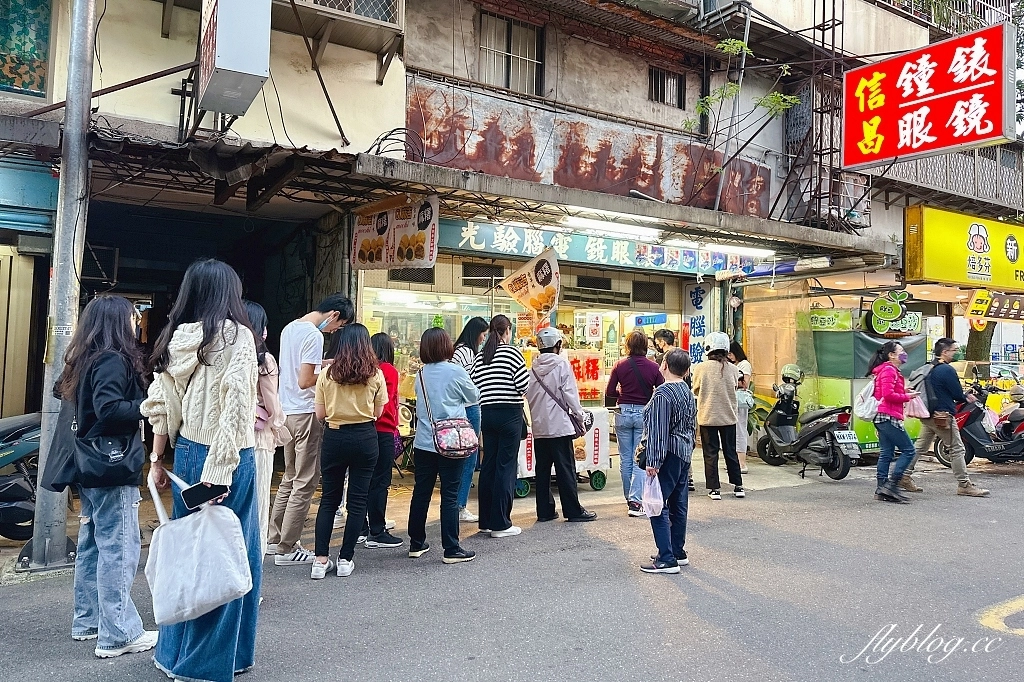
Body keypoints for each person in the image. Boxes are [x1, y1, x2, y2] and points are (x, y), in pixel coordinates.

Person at [143, 258, 260, 681]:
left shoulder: (176, 337)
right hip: (226, 456)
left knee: (189, 552)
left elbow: (161, 405)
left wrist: (156, 460)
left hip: (188, 451)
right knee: (227, 555)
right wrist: (221, 470)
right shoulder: (237, 336)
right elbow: (237, 406)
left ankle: (173, 653)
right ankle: (208, 665)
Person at [58, 296, 157, 658]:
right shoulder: (113, 359)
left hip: (90, 465)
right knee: (119, 548)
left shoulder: (85, 359)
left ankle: (88, 621)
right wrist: (148, 405)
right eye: (133, 317)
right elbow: (109, 408)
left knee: (93, 545)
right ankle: (118, 633)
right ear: (118, 322)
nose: (136, 322)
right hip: (112, 466)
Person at [269, 293, 353, 566]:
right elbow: (305, 380)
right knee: (305, 482)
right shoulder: (314, 336)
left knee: (290, 477)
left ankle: (274, 539)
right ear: (334, 315)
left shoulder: (290, 328)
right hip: (306, 413)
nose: (335, 330)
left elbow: (297, 369)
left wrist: (325, 364)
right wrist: (332, 373)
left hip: (286, 412)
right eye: (339, 325)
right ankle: (287, 548)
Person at [308, 324, 385, 578]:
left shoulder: (327, 374)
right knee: (358, 500)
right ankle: (345, 559)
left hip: (335, 436)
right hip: (365, 437)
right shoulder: (375, 374)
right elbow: (378, 412)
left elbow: (320, 414)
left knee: (329, 499)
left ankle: (320, 560)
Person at [410, 328, 481, 562]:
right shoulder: (456, 371)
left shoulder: (420, 374)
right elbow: (474, 396)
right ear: (446, 346)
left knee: (421, 492)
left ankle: (416, 543)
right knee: (449, 494)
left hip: (424, 442)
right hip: (451, 441)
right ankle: (451, 548)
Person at [525, 327, 597, 523]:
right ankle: (573, 511)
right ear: (557, 344)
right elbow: (570, 395)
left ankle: (545, 511)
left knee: (542, 471)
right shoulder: (562, 365)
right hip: (560, 426)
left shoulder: (532, 368)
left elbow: (529, 395)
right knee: (565, 469)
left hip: (540, 427)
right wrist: (580, 416)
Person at [906, 338, 990, 498]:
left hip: (928, 414)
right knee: (957, 449)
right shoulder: (946, 370)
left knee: (920, 447)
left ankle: (903, 476)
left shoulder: (929, 367)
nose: (957, 353)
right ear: (944, 352)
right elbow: (957, 393)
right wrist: (967, 397)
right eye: (954, 350)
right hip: (942, 416)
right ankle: (964, 485)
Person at [639, 349, 698, 574]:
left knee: (657, 504)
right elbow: (692, 425)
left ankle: (666, 557)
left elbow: (658, 431)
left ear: (664, 365)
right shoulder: (686, 391)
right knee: (678, 503)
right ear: (686, 370)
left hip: (667, 454)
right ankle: (677, 551)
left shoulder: (663, 394)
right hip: (683, 453)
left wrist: (653, 461)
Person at [470, 315, 529, 538]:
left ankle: (486, 521)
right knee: (506, 466)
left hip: (487, 413)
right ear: (507, 331)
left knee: (489, 465)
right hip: (509, 414)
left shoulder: (480, 357)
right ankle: (501, 524)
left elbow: (473, 386)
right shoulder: (512, 353)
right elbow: (523, 385)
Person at [244, 300, 288, 559]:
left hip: (232, 437)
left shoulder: (226, 355)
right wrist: (279, 424)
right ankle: (254, 566)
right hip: (259, 437)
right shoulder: (265, 360)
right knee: (258, 504)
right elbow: (273, 406)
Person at [607, 330, 664, 516]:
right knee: (640, 457)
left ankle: (628, 497)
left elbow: (609, 392)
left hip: (623, 412)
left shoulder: (619, 365)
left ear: (628, 345)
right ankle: (635, 501)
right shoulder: (653, 367)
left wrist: (622, 395)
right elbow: (661, 390)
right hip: (643, 414)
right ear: (645, 345)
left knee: (625, 458)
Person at [363, 332, 406, 548]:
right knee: (380, 482)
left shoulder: (364, 369)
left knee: (363, 481)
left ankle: (361, 527)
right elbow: (388, 403)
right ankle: (377, 530)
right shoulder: (388, 370)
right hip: (384, 429)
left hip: (364, 429)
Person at [692, 331, 744, 500]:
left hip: (708, 417)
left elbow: (696, 389)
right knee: (730, 452)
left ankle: (714, 489)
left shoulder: (700, 368)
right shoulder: (734, 369)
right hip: (728, 417)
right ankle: (738, 486)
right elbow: (735, 387)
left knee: (710, 453)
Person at [867, 341, 918, 504]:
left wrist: (904, 391)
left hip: (884, 416)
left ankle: (882, 488)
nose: (904, 354)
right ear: (891, 355)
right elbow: (888, 395)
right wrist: (907, 397)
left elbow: (888, 391)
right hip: (887, 416)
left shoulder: (889, 370)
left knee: (887, 453)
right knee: (909, 450)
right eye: (901, 351)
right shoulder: (889, 370)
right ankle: (892, 485)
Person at [451, 316, 489, 523]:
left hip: (461, 407)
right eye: (483, 334)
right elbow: (467, 383)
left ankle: (455, 504)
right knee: (469, 457)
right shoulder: (466, 352)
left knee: (462, 457)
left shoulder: (458, 350)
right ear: (476, 333)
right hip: (469, 407)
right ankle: (460, 505)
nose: (484, 339)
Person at [729, 341, 753, 474]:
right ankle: (735, 462)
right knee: (733, 432)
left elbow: (745, 383)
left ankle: (742, 463)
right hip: (731, 400)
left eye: (731, 354)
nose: (729, 356)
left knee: (740, 431)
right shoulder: (733, 365)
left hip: (740, 400)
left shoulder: (744, 364)